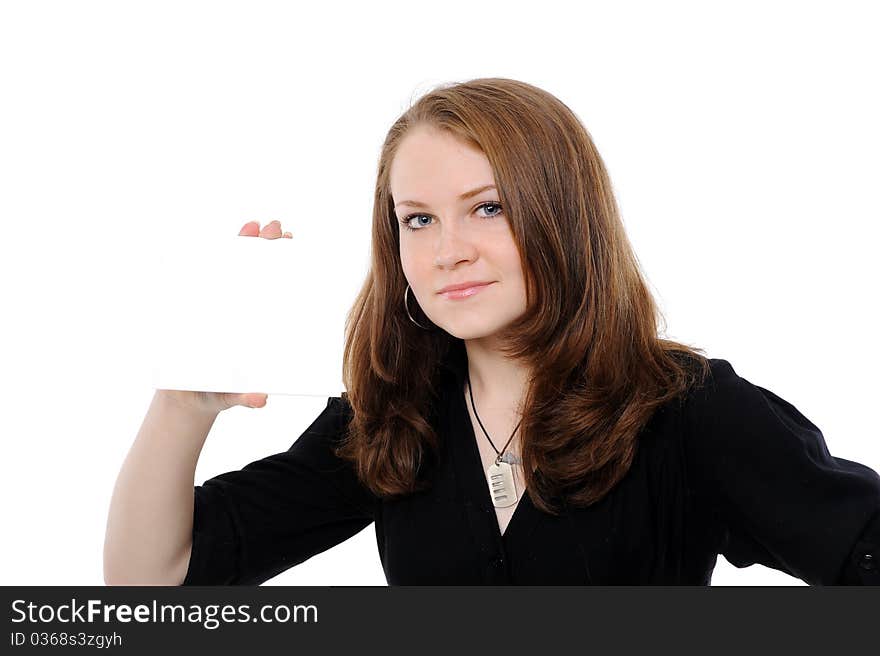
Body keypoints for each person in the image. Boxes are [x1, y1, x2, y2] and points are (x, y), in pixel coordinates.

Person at [103, 78, 880, 586]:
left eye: (488, 207)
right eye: (418, 220)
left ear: (562, 214)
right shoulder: (390, 418)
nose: (449, 251)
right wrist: (184, 402)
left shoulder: (688, 409)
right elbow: (150, 584)